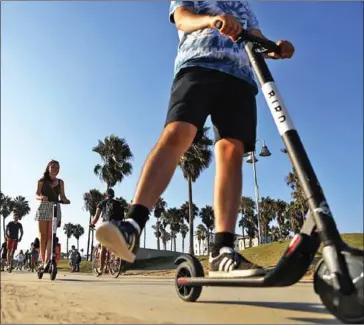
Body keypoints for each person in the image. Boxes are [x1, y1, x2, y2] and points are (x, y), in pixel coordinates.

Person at [96, 1, 295, 278]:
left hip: (240, 77)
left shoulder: (243, 5)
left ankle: (223, 251)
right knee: (179, 132)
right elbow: (182, 19)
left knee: (232, 151)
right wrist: (212, 21)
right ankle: (132, 225)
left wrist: (274, 49)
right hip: (198, 64)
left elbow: (256, 38)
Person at [35, 160, 70, 271]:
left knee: (51, 235)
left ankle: (48, 261)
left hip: (55, 207)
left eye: (57, 168)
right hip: (44, 207)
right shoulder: (41, 181)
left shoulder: (61, 182)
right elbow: (37, 194)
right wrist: (41, 197)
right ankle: (43, 260)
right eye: (53, 167)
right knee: (43, 236)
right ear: (48, 168)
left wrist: (65, 200)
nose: (55, 169)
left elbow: (63, 196)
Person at [91, 188, 125, 275]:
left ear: (106, 195)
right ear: (113, 195)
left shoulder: (102, 203)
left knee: (104, 247)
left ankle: (101, 268)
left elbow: (97, 216)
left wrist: (92, 223)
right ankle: (115, 259)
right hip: (117, 225)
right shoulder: (118, 203)